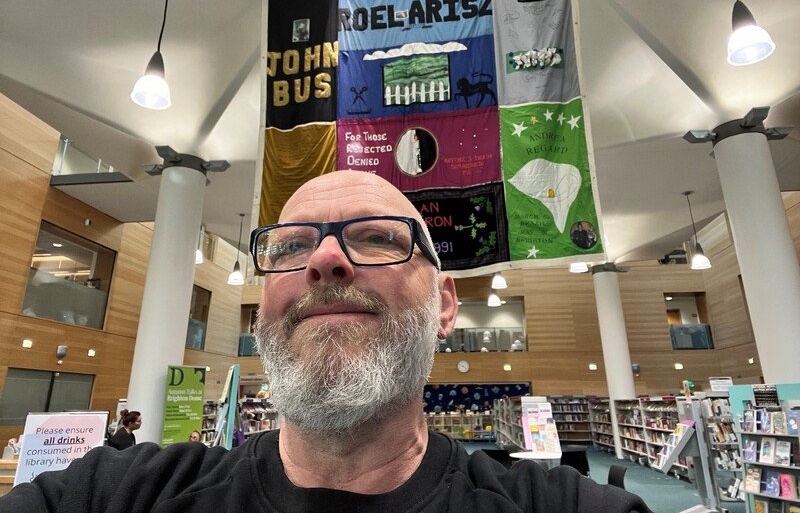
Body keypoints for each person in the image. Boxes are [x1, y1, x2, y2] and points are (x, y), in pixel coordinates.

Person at [0, 170, 652, 512]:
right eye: (291, 247)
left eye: (378, 237)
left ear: (446, 305)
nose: (325, 260)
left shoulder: (562, 506)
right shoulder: (114, 495)